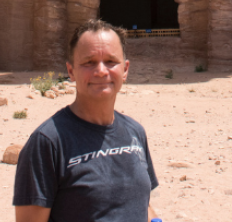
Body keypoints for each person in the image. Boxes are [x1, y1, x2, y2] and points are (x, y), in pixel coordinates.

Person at [14, 19, 159, 222]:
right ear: (71, 71)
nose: (101, 71)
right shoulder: (48, 142)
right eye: (89, 62)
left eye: (111, 61)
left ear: (125, 70)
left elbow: (142, 203)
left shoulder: (135, 132)